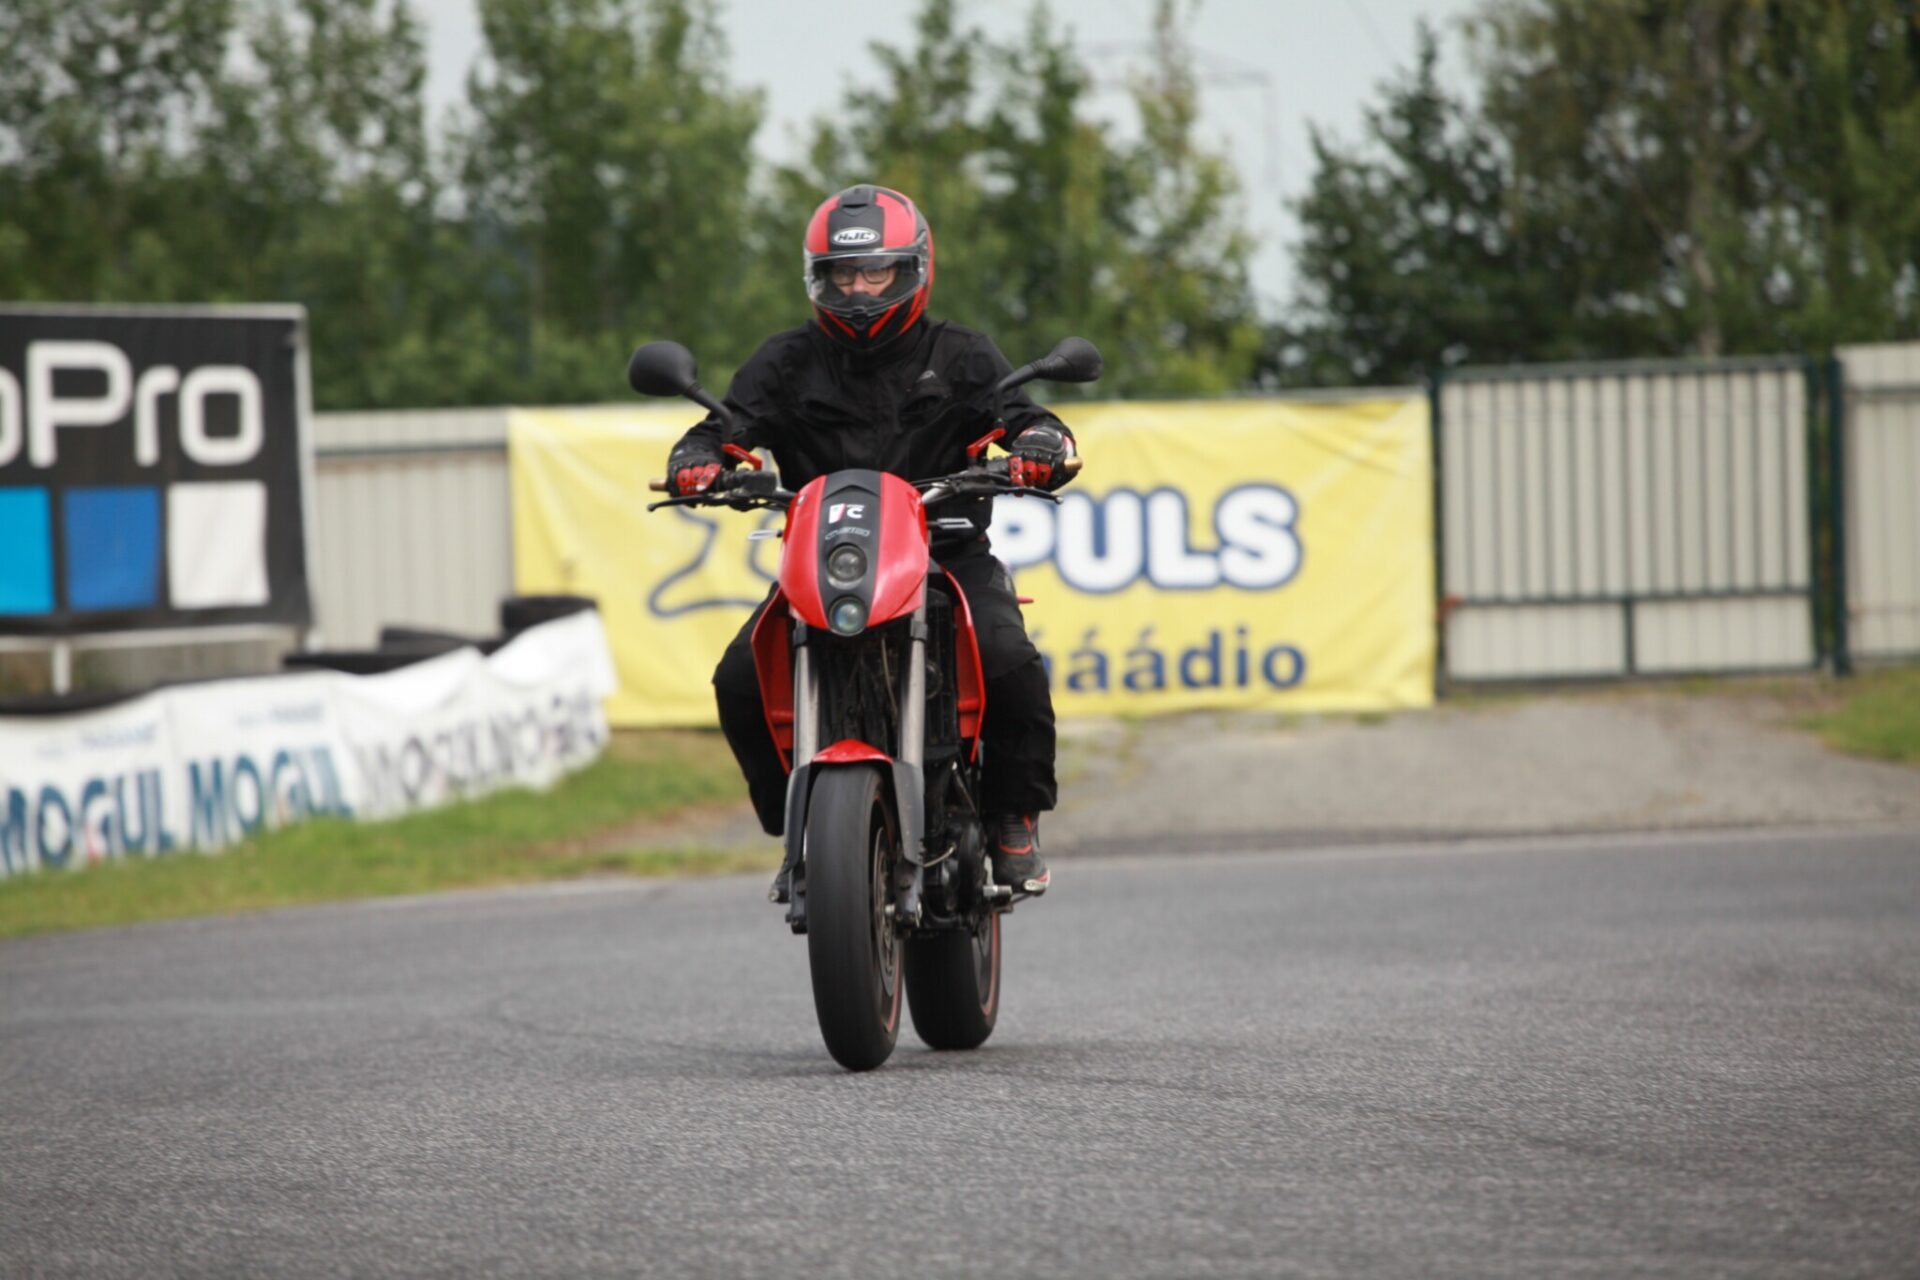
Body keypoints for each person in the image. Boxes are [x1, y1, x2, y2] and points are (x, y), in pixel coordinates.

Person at [664, 183, 1077, 897]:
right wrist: (696, 460)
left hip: (944, 555)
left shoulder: (961, 355)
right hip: (826, 560)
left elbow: (1028, 419)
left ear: (912, 269)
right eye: (842, 274)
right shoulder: (785, 360)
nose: (857, 289)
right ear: (818, 277)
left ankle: (1014, 816)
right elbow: (723, 428)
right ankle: (799, 821)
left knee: (1009, 661)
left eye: (875, 271)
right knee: (739, 679)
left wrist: (1040, 444)